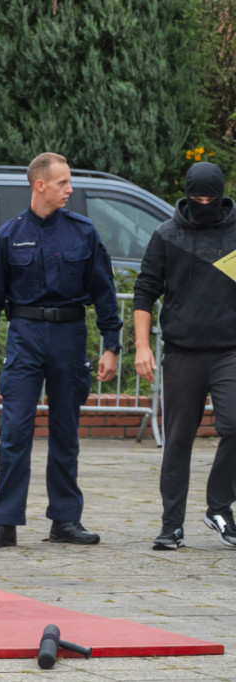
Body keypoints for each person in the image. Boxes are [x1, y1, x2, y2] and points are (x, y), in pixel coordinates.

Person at [0, 152, 122, 548]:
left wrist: (112, 344)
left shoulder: (83, 232)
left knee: (65, 432)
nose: (70, 189)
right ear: (40, 185)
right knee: (14, 431)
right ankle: (4, 523)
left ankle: (66, 521)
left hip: (70, 336)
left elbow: (105, 291)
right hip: (24, 335)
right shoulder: (8, 235)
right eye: (62, 183)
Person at [133, 161, 236, 551]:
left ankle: (219, 506)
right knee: (177, 440)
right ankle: (171, 525)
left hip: (229, 349)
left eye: (211, 197)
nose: (204, 203)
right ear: (188, 194)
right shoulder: (167, 235)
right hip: (182, 352)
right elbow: (145, 291)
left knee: (235, 423)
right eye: (197, 198)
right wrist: (143, 346)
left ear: (222, 193)